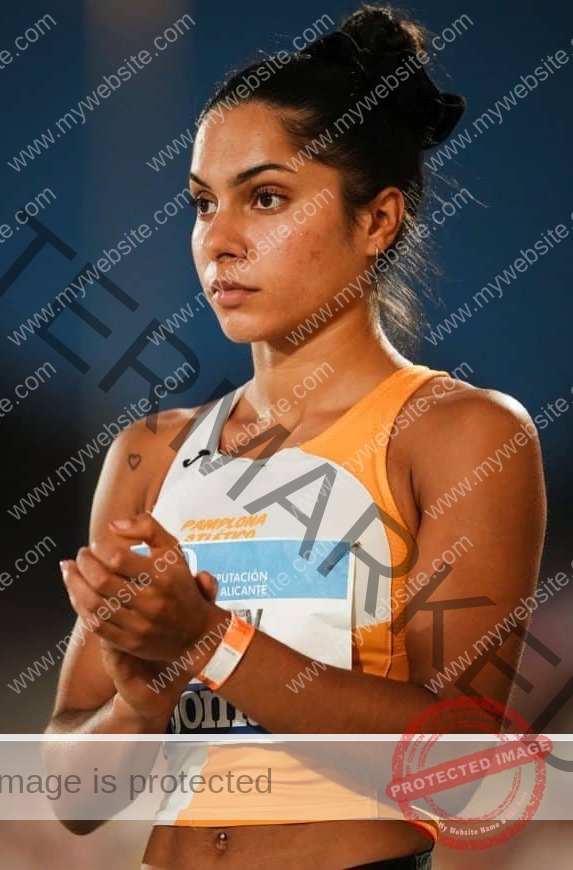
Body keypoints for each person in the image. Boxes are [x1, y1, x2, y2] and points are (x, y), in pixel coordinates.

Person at [44, 5, 547, 868]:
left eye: (266, 197)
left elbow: (464, 763)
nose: (220, 241)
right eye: (204, 203)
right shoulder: (151, 453)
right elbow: (71, 799)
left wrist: (209, 643)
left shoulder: (458, 435)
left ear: (378, 221)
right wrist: (138, 705)